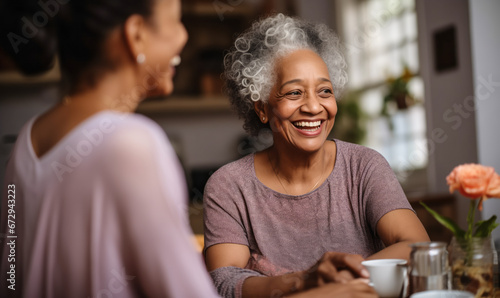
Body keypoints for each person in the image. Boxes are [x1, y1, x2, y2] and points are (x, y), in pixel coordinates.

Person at [0, 0, 222, 297]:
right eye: (175, 21)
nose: (184, 36)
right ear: (136, 35)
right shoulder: (132, 142)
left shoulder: (28, 139)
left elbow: (10, 277)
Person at [203, 13, 430, 298]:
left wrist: (337, 282)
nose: (313, 107)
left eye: (325, 91)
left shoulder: (364, 166)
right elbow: (224, 282)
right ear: (261, 108)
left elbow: (416, 245)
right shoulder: (229, 186)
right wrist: (307, 282)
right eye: (294, 93)